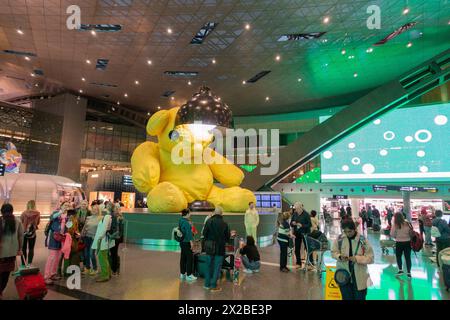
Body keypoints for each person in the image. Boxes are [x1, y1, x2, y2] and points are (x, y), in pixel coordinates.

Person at [332, 219, 374, 300]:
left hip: (359, 277)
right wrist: (339, 256)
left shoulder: (363, 241)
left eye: (350, 231)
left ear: (354, 229)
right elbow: (333, 252)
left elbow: (371, 258)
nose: (348, 234)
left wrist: (357, 259)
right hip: (344, 276)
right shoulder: (339, 239)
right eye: (345, 231)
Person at [202, 206, 231, 292]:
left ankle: (206, 284)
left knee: (208, 265)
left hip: (209, 247)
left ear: (214, 212)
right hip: (220, 248)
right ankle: (213, 285)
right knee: (217, 267)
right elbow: (227, 237)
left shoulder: (208, 221)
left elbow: (204, 234)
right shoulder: (225, 223)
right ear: (221, 213)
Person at [0, 203, 23, 300]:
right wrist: (20, 249)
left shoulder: (0, 221)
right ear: (12, 211)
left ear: (2, 211)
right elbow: (21, 236)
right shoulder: (18, 221)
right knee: (5, 276)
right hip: (11, 254)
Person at [44, 201, 69, 285]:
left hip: (62, 238)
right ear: (61, 206)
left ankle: (53, 274)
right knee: (52, 256)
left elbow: (69, 226)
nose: (66, 206)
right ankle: (46, 276)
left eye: (68, 206)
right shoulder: (56, 212)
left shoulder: (68, 216)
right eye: (65, 205)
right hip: (53, 237)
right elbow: (52, 217)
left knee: (58, 257)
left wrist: (70, 222)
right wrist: (61, 212)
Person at [92, 207, 115, 282]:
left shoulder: (107, 216)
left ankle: (105, 275)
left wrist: (100, 238)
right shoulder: (110, 216)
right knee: (105, 257)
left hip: (102, 240)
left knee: (102, 258)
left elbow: (104, 228)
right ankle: (107, 273)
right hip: (104, 240)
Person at [81, 202, 102, 276]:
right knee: (86, 254)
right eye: (93, 209)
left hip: (94, 238)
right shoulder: (88, 217)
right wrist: (81, 235)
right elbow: (84, 228)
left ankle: (95, 269)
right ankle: (88, 268)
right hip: (87, 237)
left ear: (98, 210)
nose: (94, 210)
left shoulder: (101, 218)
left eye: (96, 209)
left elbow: (102, 229)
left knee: (91, 254)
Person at [390, 212, 412, 278]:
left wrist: (397, 237)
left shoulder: (395, 224)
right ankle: (409, 272)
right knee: (408, 257)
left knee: (398, 256)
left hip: (399, 242)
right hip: (407, 242)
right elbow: (411, 231)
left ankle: (400, 270)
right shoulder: (407, 223)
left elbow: (392, 234)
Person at [290, 202, 311, 268]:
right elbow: (291, 223)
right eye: (295, 209)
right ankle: (298, 263)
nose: (296, 210)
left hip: (305, 233)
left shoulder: (306, 214)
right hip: (297, 233)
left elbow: (309, 225)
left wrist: (302, 225)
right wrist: (293, 223)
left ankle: (310, 263)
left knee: (308, 248)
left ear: (301, 208)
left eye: (297, 209)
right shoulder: (295, 214)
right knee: (297, 248)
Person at [20, 200, 40, 266]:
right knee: (31, 249)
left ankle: (23, 264)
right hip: (32, 233)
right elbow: (38, 222)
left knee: (23, 249)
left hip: (24, 233)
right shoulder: (37, 213)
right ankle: (29, 263)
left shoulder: (24, 213)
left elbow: (21, 221)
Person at [178, 209, 197, 282]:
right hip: (186, 242)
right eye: (189, 213)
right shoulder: (186, 222)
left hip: (182, 242)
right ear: (187, 214)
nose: (190, 215)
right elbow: (189, 234)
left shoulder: (181, 220)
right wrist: (191, 243)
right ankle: (189, 275)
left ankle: (182, 273)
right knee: (189, 258)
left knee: (183, 257)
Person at [109, 204, 125, 276]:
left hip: (116, 238)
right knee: (111, 253)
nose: (116, 209)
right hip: (110, 237)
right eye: (115, 208)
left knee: (114, 253)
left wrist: (118, 236)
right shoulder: (110, 216)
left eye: (118, 208)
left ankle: (114, 269)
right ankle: (113, 267)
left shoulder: (121, 218)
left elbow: (121, 230)